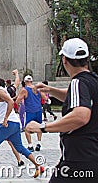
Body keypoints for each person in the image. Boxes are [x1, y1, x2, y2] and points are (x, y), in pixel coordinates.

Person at [26, 38, 98, 183]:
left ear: (64, 60)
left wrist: (43, 127)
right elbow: (75, 96)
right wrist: (51, 90)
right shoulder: (93, 80)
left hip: (78, 161)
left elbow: (81, 116)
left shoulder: (78, 82)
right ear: (87, 58)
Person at [0, 72, 44, 182]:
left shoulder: (0, 92)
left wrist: (5, 118)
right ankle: (38, 165)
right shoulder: (0, 90)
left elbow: (11, 101)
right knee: (19, 147)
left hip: (6, 124)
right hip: (15, 123)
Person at [16, 75, 46, 152]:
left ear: (25, 82)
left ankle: (30, 145)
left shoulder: (24, 90)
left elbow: (18, 99)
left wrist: (17, 103)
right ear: (32, 81)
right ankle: (39, 143)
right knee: (39, 127)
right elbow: (45, 98)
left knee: (27, 129)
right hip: (39, 110)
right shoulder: (38, 89)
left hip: (30, 111)